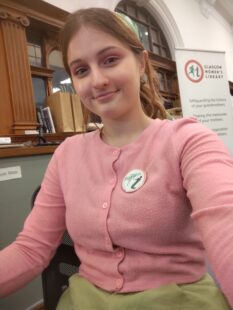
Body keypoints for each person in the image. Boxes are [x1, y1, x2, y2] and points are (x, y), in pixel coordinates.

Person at [1, 7, 233, 309]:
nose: (97, 80)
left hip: (179, 299)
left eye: (110, 60)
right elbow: (32, 249)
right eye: (81, 70)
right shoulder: (67, 155)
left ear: (140, 63)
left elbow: (225, 223)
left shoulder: (188, 141)